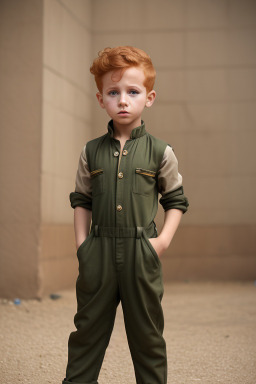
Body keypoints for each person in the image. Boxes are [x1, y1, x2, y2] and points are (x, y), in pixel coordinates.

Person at [63, 46, 189, 384]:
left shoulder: (161, 151)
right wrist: (82, 247)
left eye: (132, 92)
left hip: (141, 253)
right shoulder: (90, 152)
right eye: (113, 92)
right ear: (100, 98)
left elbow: (175, 200)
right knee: (87, 330)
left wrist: (160, 243)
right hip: (99, 252)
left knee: (147, 335)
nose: (122, 100)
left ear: (149, 98)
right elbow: (81, 200)